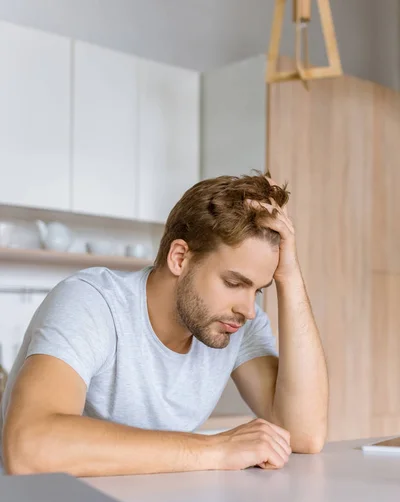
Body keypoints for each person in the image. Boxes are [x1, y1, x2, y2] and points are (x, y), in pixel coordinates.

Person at [1, 172, 328, 476]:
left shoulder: (236, 322)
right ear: (180, 258)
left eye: (258, 289)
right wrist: (215, 450)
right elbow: (29, 448)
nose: (249, 309)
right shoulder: (92, 302)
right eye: (233, 282)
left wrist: (290, 275)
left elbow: (304, 435)